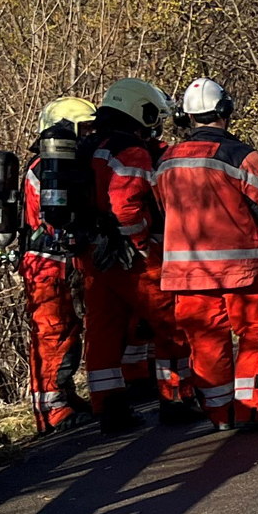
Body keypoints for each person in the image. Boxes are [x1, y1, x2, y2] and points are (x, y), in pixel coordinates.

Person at [154, 78, 258, 431]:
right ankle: (253, 410)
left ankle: (220, 414)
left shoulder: (166, 160)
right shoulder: (242, 156)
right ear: (226, 110)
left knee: (205, 342)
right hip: (242, 270)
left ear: (186, 116)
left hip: (187, 274)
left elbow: (162, 209)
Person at [78, 79, 194, 431]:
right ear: (139, 111)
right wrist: (143, 245)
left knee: (103, 329)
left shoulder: (90, 145)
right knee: (171, 322)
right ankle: (176, 399)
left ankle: (109, 408)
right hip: (128, 256)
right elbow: (126, 207)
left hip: (92, 253)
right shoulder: (130, 150)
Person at [18, 97, 95, 434]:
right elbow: (52, 218)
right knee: (53, 333)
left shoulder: (53, 165)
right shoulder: (47, 168)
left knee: (66, 331)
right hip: (46, 263)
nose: (89, 135)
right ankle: (51, 409)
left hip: (54, 262)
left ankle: (63, 395)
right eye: (84, 129)